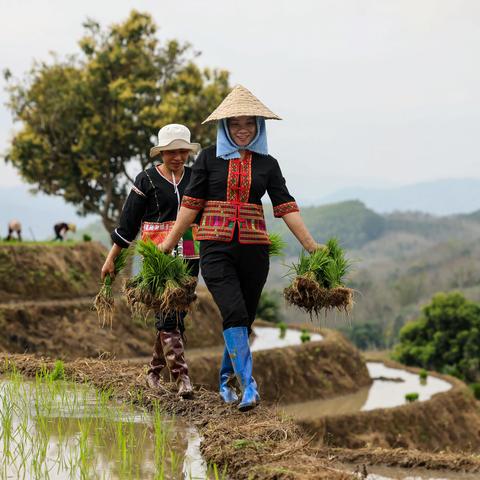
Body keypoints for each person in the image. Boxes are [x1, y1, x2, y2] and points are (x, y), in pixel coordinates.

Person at [158, 85, 322, 411]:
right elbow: (191, 204)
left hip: (254, 250)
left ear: (258, 126)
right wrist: (169, 242)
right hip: (216, 247)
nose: (242, 129)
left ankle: (225, 381)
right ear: (225, 127)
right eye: (235, 124)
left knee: (244, 319)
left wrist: (311, 245)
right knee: (232, 311)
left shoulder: (267, 164)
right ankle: (249, 386)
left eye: (249, 123)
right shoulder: (207, 158)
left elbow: (285, 206)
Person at [101, 124, 201, 399]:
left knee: (176, 316)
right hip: (157, 259)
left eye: (182, 151)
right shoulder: (146, 179)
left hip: (190, 256)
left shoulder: (196, 177)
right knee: (167, 316)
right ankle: (183, 379)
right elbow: (127, 224)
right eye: (171, 152)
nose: (177, 157)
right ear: (161, 153)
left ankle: (154, 373)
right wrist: (111, 259)